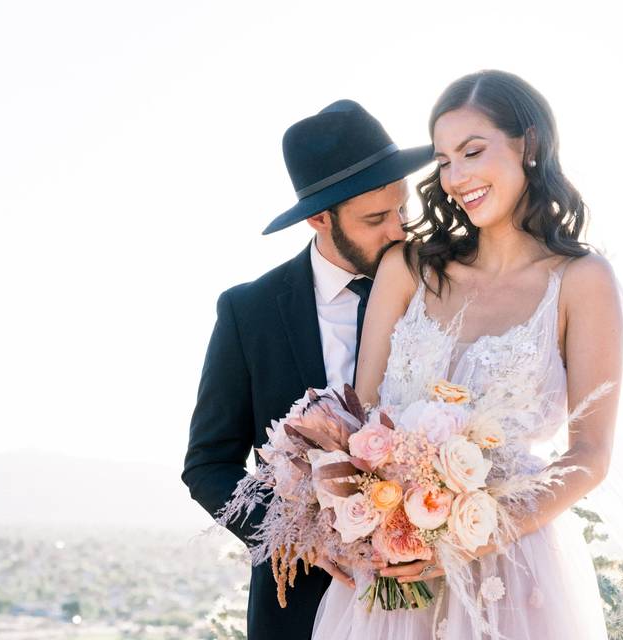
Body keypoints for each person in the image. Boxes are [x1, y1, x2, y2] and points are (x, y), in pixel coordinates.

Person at [312, 70, 623, 639]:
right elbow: (363, 420)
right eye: (444, 160)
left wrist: (476, 534)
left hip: (514, 570)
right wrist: (376, 519)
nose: (455, 177)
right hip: (393, 569)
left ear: (527, 144)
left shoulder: (582, 281)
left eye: (473, 151)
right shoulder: (408, 268)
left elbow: (591, 454)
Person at [182, 99, 433, 640]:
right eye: (374, 219)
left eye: (400, 209)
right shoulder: (249, 312)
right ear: (320, 218)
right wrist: (301, 538)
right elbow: (208, 464)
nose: (398, 231)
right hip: (300, 611)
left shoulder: (440, 289)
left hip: (436, 600)